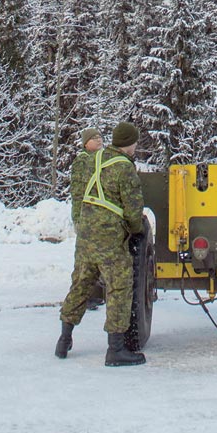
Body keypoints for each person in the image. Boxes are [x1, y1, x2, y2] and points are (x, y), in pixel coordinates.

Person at [56, 121, 147, 366]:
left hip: (87, 232)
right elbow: (133, 207)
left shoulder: (94, 159)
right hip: (109, 236)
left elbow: (79, 191)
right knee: (119, 286)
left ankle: (64, 340)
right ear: (130, 144)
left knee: (81, 284)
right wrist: (137, 231)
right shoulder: (124, 167)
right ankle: (116, 350)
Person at [69, 127, 105, 310]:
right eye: (94, 138)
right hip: (86, 216)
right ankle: (81, 297)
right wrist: (77, 218)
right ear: (85, 143)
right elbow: (77, 192)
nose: (99, 140)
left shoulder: (100, 160)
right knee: (84, 260)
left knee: (97, 257)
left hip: (97, 217)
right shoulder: (82, 162)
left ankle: (94, 293)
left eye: (100, 137)